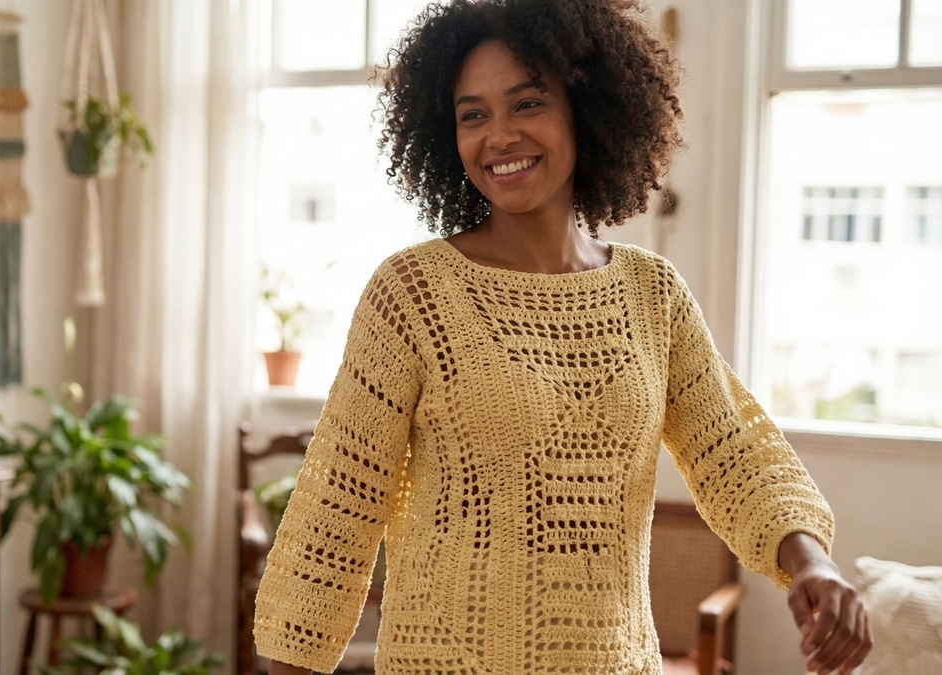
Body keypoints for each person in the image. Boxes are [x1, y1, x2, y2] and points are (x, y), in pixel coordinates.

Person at [253, 1, 873, 673]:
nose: (499, 136)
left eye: (527, 103)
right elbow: (336, 514)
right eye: (473, 115)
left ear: (587, 107)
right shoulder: (413, 292)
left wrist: (810, 561)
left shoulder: (652, 293)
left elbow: (735, 455)